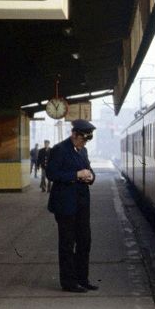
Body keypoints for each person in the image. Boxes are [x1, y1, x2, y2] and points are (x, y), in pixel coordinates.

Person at [46, 120, 97, 293]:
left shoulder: (83, 151)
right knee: (67, 244)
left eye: (86, 141)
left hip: (82, 204)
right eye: (82, 139)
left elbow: (89, 170)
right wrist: (75, 175)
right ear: (74, 134)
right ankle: (68, 282)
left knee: (85, 241)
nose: (84, 143)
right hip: (65, 205)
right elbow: (51, 173)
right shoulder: (59, 150)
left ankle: (82, 279)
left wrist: (91, 177)